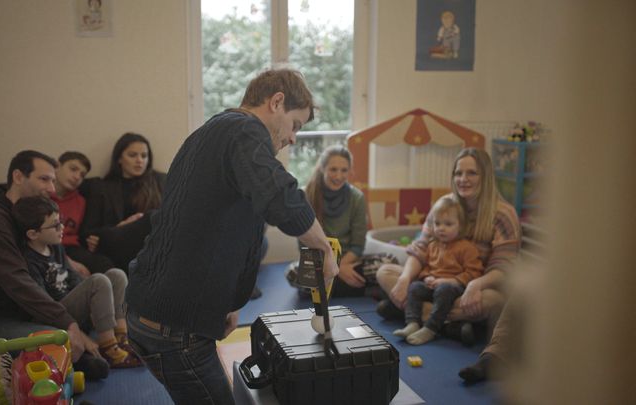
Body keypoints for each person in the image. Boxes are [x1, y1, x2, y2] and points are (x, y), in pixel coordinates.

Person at [125, 68, 339, 405]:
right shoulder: (243, 130)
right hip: (174, 326)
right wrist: (324, 247)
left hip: (158, 311)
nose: (294, 138)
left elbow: (228, 230)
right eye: (295, 125)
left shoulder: (214, 133)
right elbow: (281, 197)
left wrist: (229, 303)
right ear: (277, 101)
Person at [0, 150, 108, 378]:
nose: (52, 188)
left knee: (99, 291)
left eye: (52, 179)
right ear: (19, 177)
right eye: (44, 179)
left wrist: (69, 261)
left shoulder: (23, 212)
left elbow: (47, 247)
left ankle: (86, 353)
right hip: (4, 318)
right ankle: (78, 359)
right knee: (62, 341)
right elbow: (18, 283)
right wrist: (68, 323)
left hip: (29, 310)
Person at [376, 147, 521, 341]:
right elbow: (420, 249)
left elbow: (503, 268)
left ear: (485, 177)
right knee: (385, 272)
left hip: (468, 288)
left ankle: (411, 313)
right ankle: (452, 324)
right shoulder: (444, 205)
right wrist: (403, 279)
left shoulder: (504, 214)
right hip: (433, 283)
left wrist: (475, 285)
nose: (463, 179)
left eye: (472, 173)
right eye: (458, 173)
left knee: (495, 301)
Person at [12, 196, 141, 368]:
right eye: (55, 225)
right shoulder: (30, 261)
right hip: (57, 315)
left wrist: (95, 296)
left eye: (61, 221)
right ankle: (109, 348)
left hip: (74, 307)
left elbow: (73, 277)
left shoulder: (55, 246)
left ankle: (122, 337)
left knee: (116, 275)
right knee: (99, 281)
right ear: (33, 234)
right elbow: (44, 304)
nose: (62, 228)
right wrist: (76, 330)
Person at [391, 196, 483, 345]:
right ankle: (412, 323)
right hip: (433, 285)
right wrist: (426, 277)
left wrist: (450, 280)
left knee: (444, 290)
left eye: (448, 224)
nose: (441, 228)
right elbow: (426, 266)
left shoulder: (467, 247)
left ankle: (430, 328)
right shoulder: (432, 245)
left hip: (453, 286)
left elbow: (474, 272)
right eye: (437, 223)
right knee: (414, 287)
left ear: (461, 226)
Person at [286, 145, 373, 297]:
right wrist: (332, 267)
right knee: (293, 273)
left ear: (349, 171)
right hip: (320, 262)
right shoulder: (306, 195)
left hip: (349, 262)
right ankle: (352, 287)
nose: (338, 176)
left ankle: (329, 287)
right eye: (333, 169)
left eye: (344, 170)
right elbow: (304, 245)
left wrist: (340, 266)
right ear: (322, 168)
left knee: (386, 262)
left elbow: (358, 245)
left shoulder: (357, 198)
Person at [80, 132, 166, 271]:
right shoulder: (101, 188)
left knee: (151, 218)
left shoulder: (161, 182)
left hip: (154, 244)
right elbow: (87, 234)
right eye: (132, 155)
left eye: (144, 156)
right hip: (118, 248)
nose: (139, 160)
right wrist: (123, 226)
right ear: (119, 158)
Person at [51, 151, 115, 275]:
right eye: (73, 169)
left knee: (104, 265)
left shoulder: (81, 201)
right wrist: (67, 261)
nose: (77, 177)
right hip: (49, 245)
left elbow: (84, 233)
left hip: (72, 247)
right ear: (57, 166)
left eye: (82, 175)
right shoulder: (41, 195)